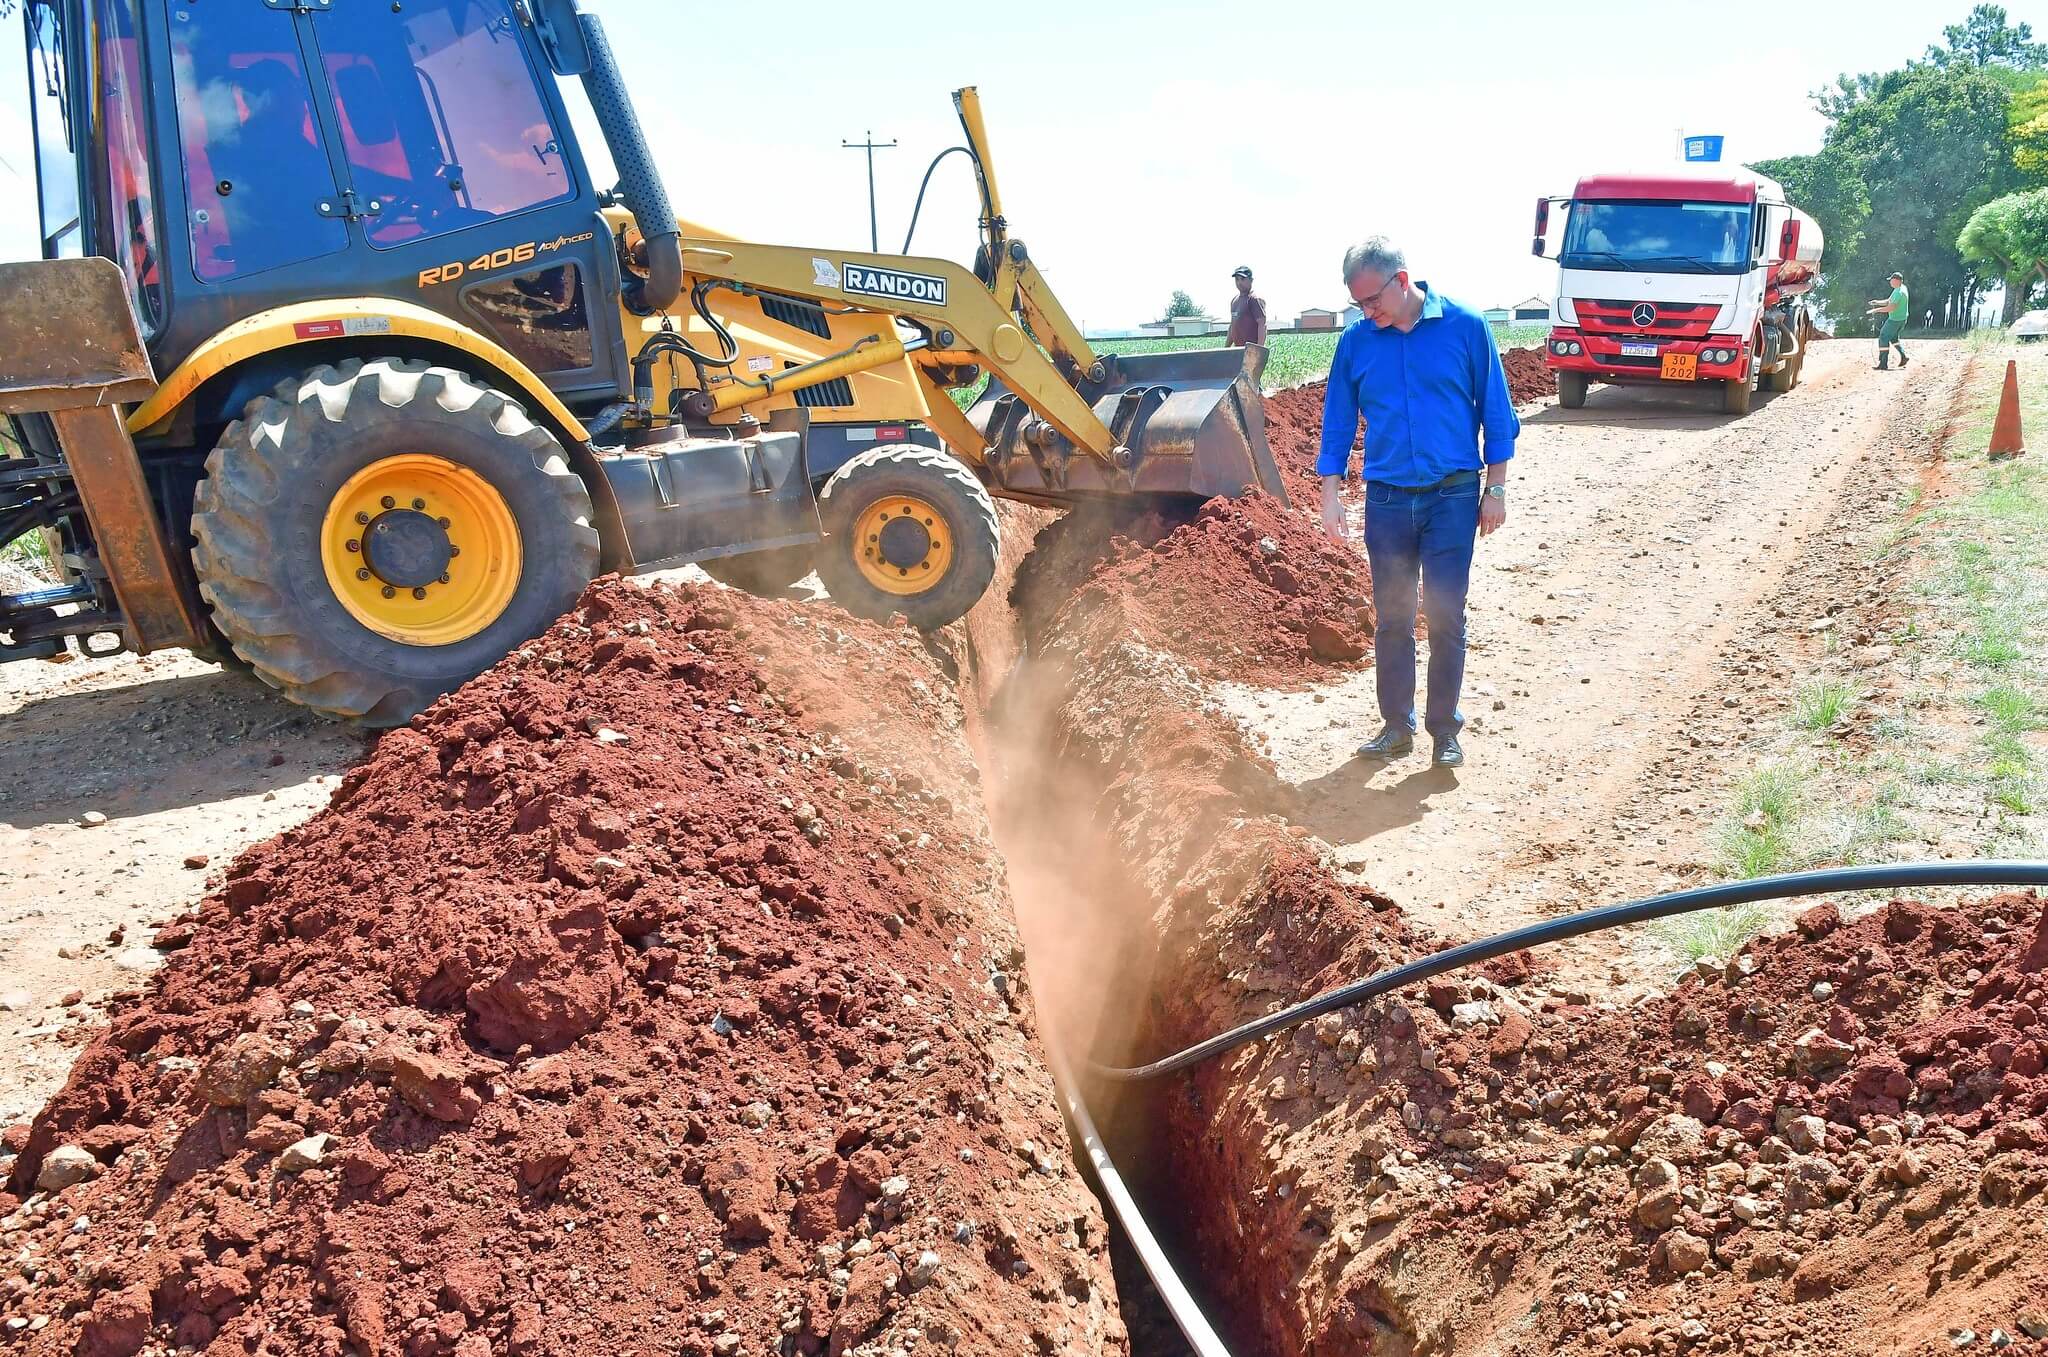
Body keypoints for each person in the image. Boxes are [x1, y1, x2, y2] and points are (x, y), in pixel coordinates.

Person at [1317, 237, 1518, 770]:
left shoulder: (1466, 327)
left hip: (1452, 495)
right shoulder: (1357, 343)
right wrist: (1331, 493)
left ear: (1401, 280)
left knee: (1446, 614)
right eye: (1358, 304)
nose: (1366, 312)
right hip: (1385, 501)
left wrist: (1495, 488)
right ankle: (1395, 726)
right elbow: (1337, 422)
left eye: (1371, 300)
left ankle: (1443, 730)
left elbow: (1495, 412)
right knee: (1393, 618)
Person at [1867, 271, 1909, 370]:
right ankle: (1903, 357)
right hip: (1902, 319)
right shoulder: (1901, 288)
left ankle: (1883, 363)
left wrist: (1876, 310)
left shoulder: (1899, 292)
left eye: (1891, 280)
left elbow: (1891, 308)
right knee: (1894, 338)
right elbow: (1889, 301)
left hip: (1894, 320)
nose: (1890, 282)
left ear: (1897, 280)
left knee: (1883, 337)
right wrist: (1877, 302)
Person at [1227, 265, 1267, 347]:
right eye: (1237, 279)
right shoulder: (1234, 301)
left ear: (1251, 280)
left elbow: (1262, 325)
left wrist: (1258, 350)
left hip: (1251, 350)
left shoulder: (1253, 299)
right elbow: (1232, 326)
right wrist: (1226, 348)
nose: (1239, 282)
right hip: (1238, 350)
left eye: (1243, 279)